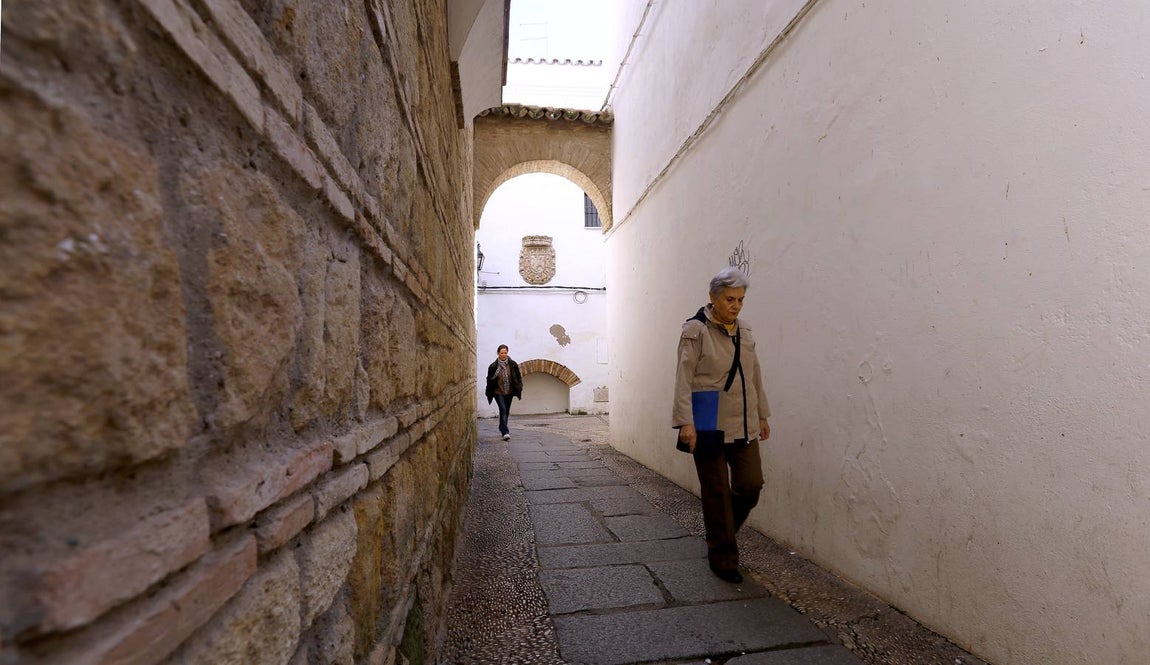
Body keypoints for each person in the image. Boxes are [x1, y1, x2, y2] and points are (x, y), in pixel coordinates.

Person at [672, 267, 771, 584]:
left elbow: (754, 375)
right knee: (716, 492)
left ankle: (720, 532)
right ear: (713, 297)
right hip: (707, 420)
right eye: (730, 299)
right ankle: (723, 558)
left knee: (751, 485)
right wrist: (685, 422)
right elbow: (684, 378)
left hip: (744, 420)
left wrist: (762, 414)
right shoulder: (696, 330)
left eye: (740, 300)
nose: (736, 306)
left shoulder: (745, 330)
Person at [484, 344, 523, 441]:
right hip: (498, 392)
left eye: (505, 352)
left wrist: (519, 386)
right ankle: (505, 432)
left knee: (506, 411)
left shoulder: (512, 364)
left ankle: (502, 426)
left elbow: (518, 377)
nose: (504, 354)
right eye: (502, 353)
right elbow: (489, 380)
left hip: (509, 392)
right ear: (498, 353)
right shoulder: (493, 367)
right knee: (503, 410)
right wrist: (489, 390)